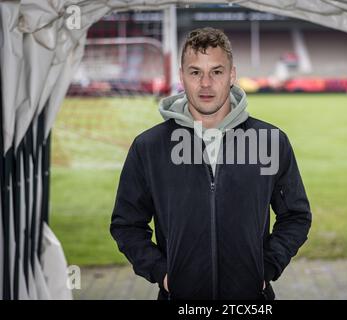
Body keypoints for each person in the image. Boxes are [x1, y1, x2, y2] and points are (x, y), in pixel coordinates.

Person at [110, 27, 312, 300]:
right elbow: (127, 224)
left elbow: (296, 216)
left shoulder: (270, 141)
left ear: (232, 75)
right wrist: (163, 274)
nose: (206, 83)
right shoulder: (149, 147)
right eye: (195, 72)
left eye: (216, 72)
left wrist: (266, 268)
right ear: (182, 76)